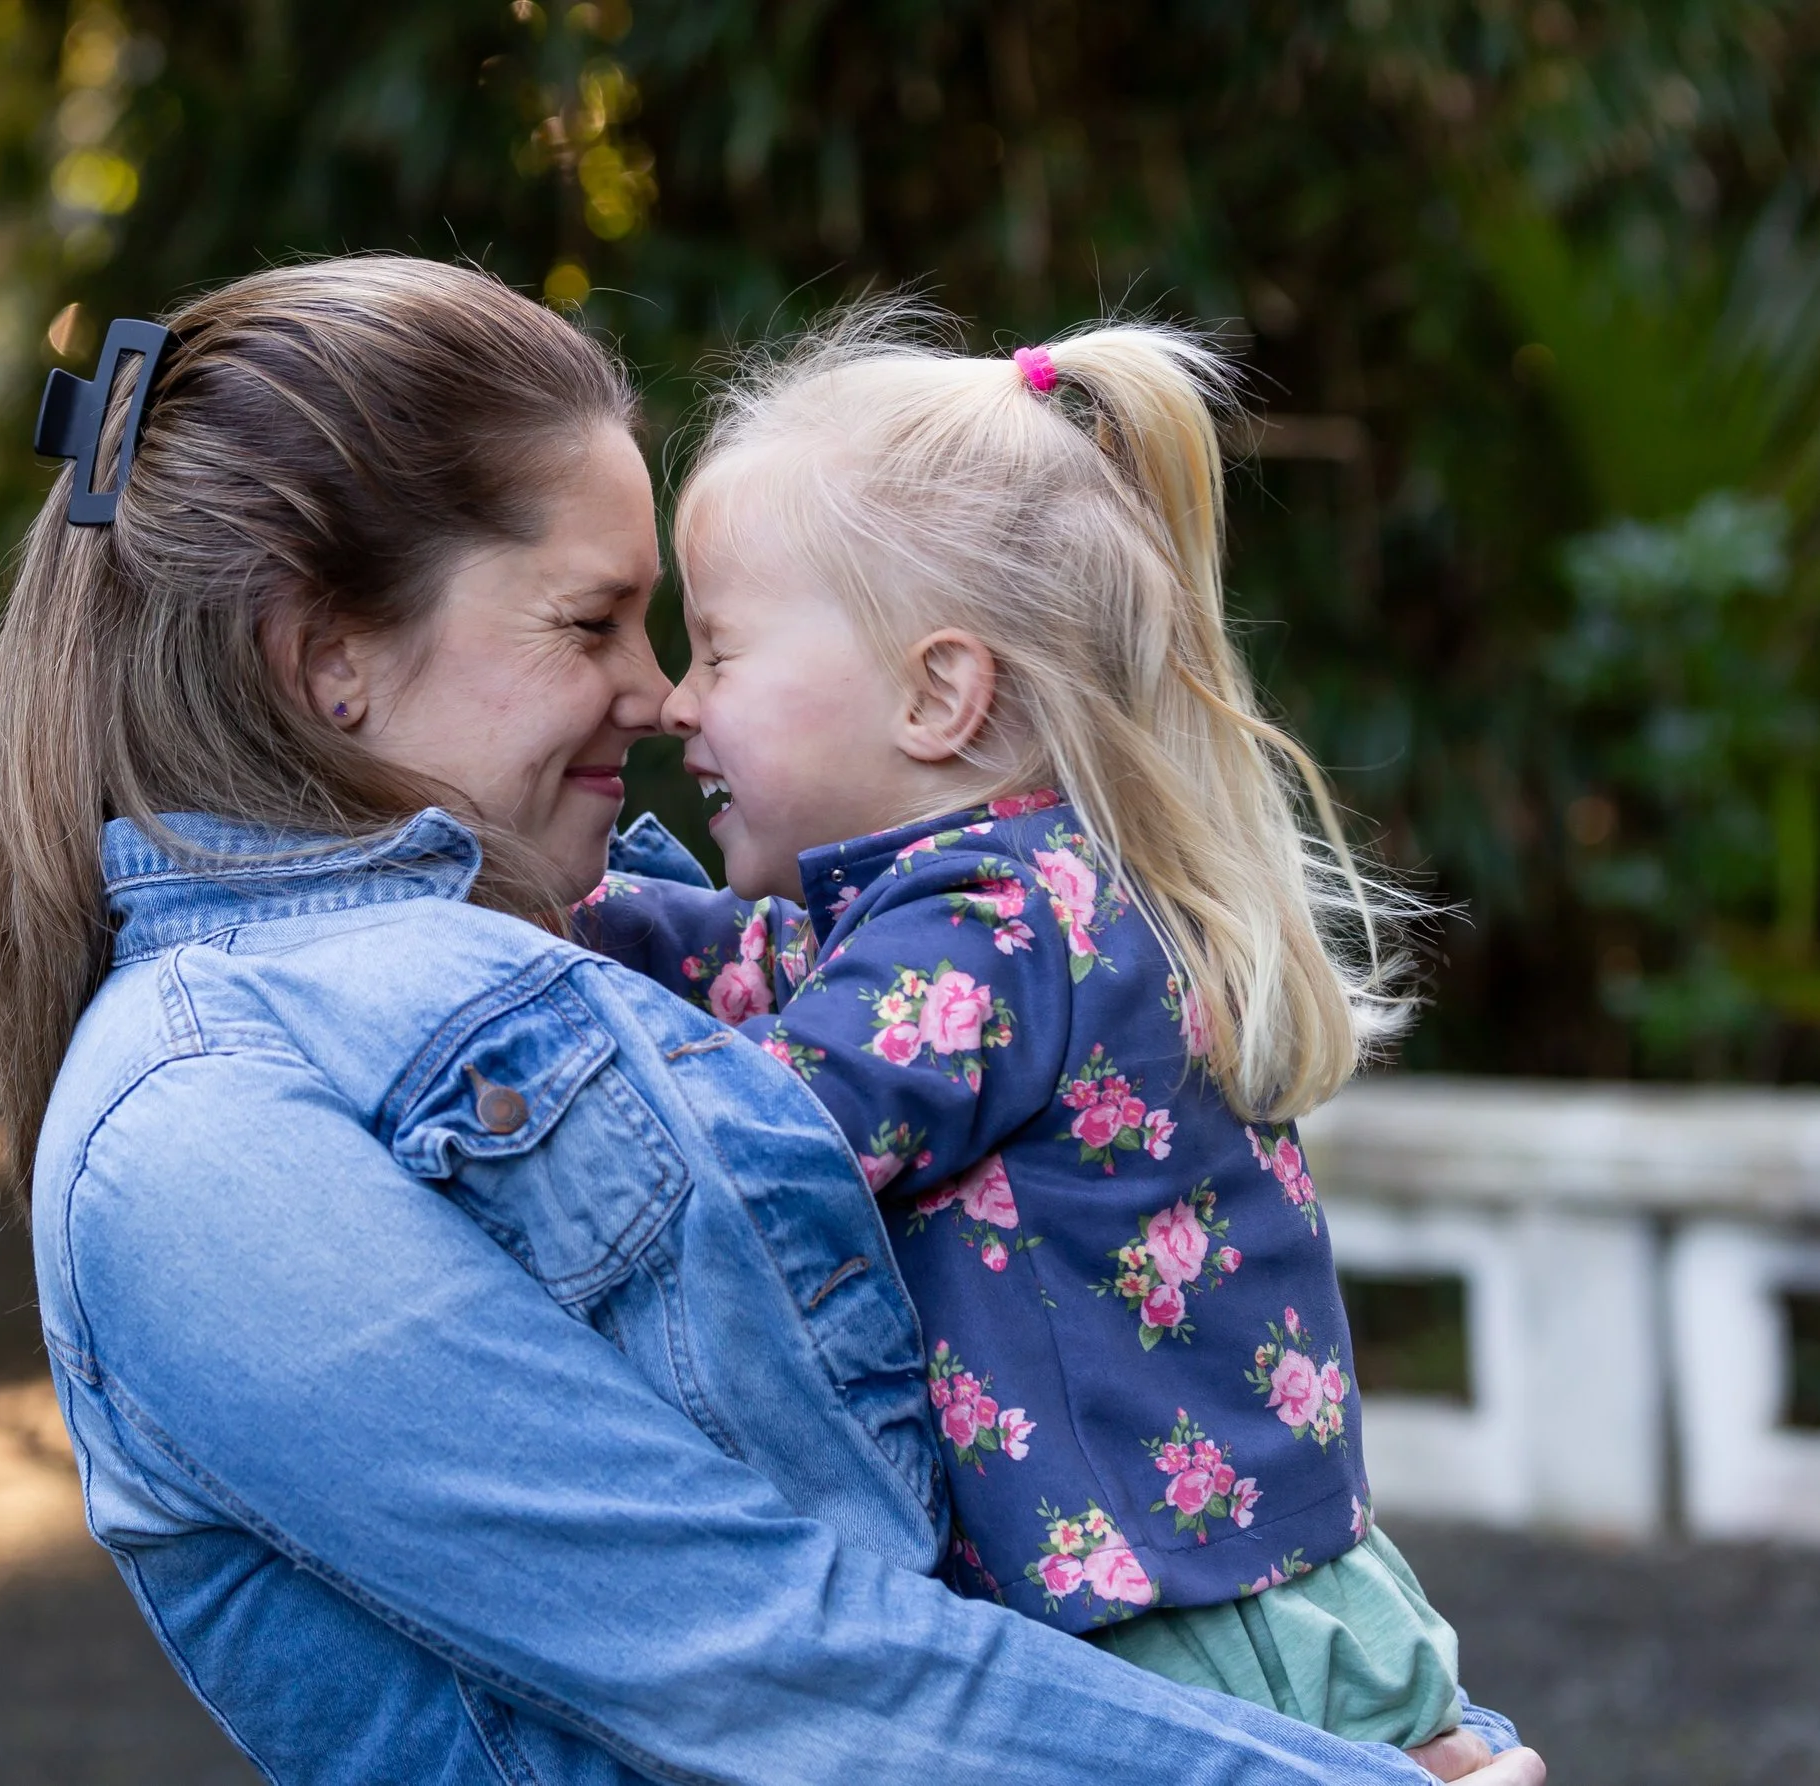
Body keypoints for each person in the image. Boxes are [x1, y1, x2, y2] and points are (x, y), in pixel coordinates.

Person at [0, 254, 1543, 1786]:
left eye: (686, 637)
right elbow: (767, 1655)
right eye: (592, 623)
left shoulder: (607, 959)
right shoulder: (200, 1126)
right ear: (328, 658)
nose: (660, 696)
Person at [578, 311, 1475, 1748]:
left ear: (938, 692)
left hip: (1178, 1639)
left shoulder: (988, 926)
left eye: (720, 652)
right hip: (1239, 1598)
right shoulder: (1008, 893)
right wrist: (580, 910)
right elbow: (758, 967)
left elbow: (751, 1142)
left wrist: (504, 1023)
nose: (678, 703)